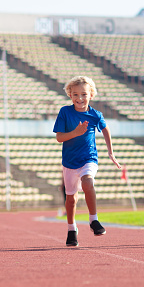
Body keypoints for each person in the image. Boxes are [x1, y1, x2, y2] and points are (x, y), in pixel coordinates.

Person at [53, 76, 121, 247]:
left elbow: (105, 129)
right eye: (75, 94)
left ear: (91, 94)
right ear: (70, 95)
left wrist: (110, 152)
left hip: (89, 158)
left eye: (84, 94)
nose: (80, 98)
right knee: (71, 199)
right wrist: (75, 132)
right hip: (69, 162)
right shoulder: (65, 112)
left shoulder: (95, 115)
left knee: (88, 182)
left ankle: (94, 220)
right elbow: (59, 138)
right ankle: (71, 229)